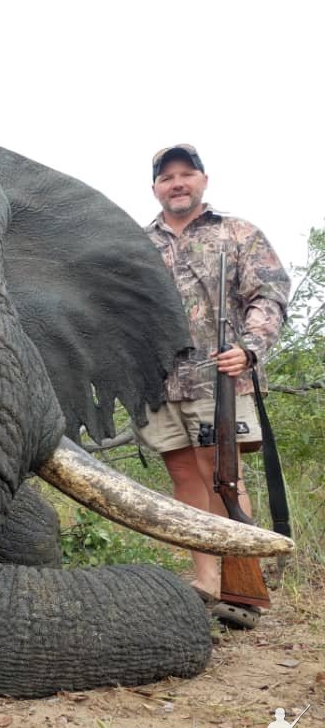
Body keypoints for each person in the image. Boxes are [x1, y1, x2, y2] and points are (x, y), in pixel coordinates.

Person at [137, 144, 289, 604]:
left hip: (218, 377)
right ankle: (206, 580)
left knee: (223, 475)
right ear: (155, 188)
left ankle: (243, 587)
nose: (177, 183)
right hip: (159, 383)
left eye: (186, 174)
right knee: (184, 476)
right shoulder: (136, 242)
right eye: (167, 177)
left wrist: (249, 349)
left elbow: (270, 293)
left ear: (203, 180)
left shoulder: (237, 232)